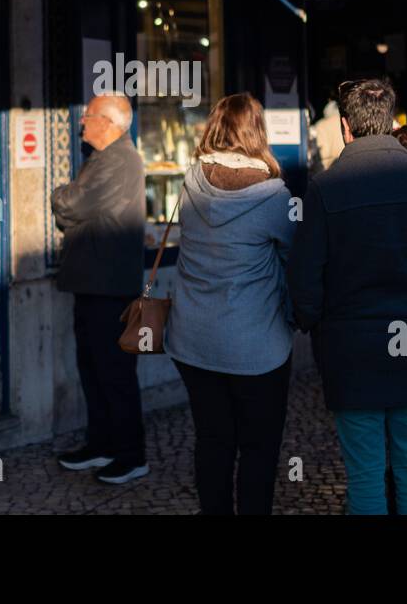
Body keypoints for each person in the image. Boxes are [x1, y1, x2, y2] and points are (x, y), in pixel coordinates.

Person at [289, 78, 407, 515]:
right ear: (393, 121)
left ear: (343, 127)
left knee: (366, 478)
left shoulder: (325, 188)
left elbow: (304, 279)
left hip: (352, 351)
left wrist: (317, 322)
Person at [166, 93, 296, 515]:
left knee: (212, 440)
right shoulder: (275, 196)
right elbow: (295, 256)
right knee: (258, 449)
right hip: (256, 346)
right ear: (257, 132)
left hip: (193, 340)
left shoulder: (191, 181)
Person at [51, 93, 148, 484]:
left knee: (114, 373)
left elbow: (71, 205)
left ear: (107, 123)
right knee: (92, 369)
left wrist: (60, 194)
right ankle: (102, 444)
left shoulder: (119, 160)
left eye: (88, 116)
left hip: (109, 287)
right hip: (93, 281)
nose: (81, 123)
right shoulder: (104, 158)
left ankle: (131, 454)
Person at [310, 96, 346, 175]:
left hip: (327, 172)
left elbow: (322, 153)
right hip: (347, 169)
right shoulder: (347, 123)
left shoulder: (321, 125)